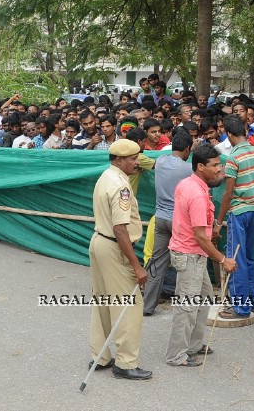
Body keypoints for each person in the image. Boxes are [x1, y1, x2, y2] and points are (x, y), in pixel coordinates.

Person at [165, 144, 237, 367]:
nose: (219, 169)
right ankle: (176, 355)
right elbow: (201, 237)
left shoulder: (190, 184)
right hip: (190, 254)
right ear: (200, 166)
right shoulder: (196, 193)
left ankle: (194, 345)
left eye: (219, 164)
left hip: (193, 253)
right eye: (215, 165)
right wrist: (223, 259)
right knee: (187, 306)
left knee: (204, 298)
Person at [87, 139, 150, 381]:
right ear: (119, 160)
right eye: (133, 159)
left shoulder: (106, 176)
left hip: (99, 241)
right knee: (129, 304)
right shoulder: (122, 187)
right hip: (115, 246)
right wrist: (136, 265)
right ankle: (125, 362)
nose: (137, 162)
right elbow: (121, 229)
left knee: (102, 300)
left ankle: (100, 355)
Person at [213, 115, 254, 320]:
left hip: (238, 211)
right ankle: (253, 302)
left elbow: (228, 193)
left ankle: (241, 308)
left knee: (235, 259)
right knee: (249, 258)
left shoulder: (233, 158)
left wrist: (219, 222)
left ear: (229, 134)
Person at [142, 132, 193, 316]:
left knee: (157, 263)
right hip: (179, 221)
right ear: (187, 149)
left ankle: (147, 306)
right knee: (187, 263)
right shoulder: (188, 169)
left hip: (161, 219)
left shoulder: (161, 161)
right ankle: (187, 307)